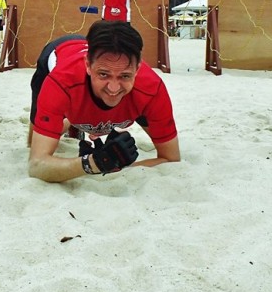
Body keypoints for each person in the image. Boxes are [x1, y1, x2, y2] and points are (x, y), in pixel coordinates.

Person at [28, 20, 180, 182]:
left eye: (125, 76)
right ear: (88, 65)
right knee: (33, 142)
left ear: (137, 69)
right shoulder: (60, 82)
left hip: (87, 82)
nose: (114, 88)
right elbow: (36, 165)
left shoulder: (151, 88)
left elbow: (171, 159)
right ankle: (71, 120)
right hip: (59, 53)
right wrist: (95, 162)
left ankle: (73, 119)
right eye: (103, 74)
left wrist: (115, 165)